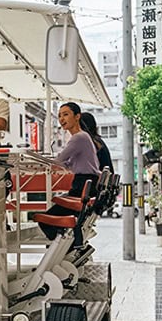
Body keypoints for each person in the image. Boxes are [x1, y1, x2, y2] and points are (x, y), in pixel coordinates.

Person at [38, 102, 101, 247]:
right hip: (85, 185)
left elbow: (60, 160)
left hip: (81, 187)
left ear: (77, 116)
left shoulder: (79, 138)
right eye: (59, 115)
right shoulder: (82, 137)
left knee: (44, 219)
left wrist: (46, 160)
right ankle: (67, 246)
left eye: (66, 114)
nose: (61, 119)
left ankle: (66, 248)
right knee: (51, 218)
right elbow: (67, 163)